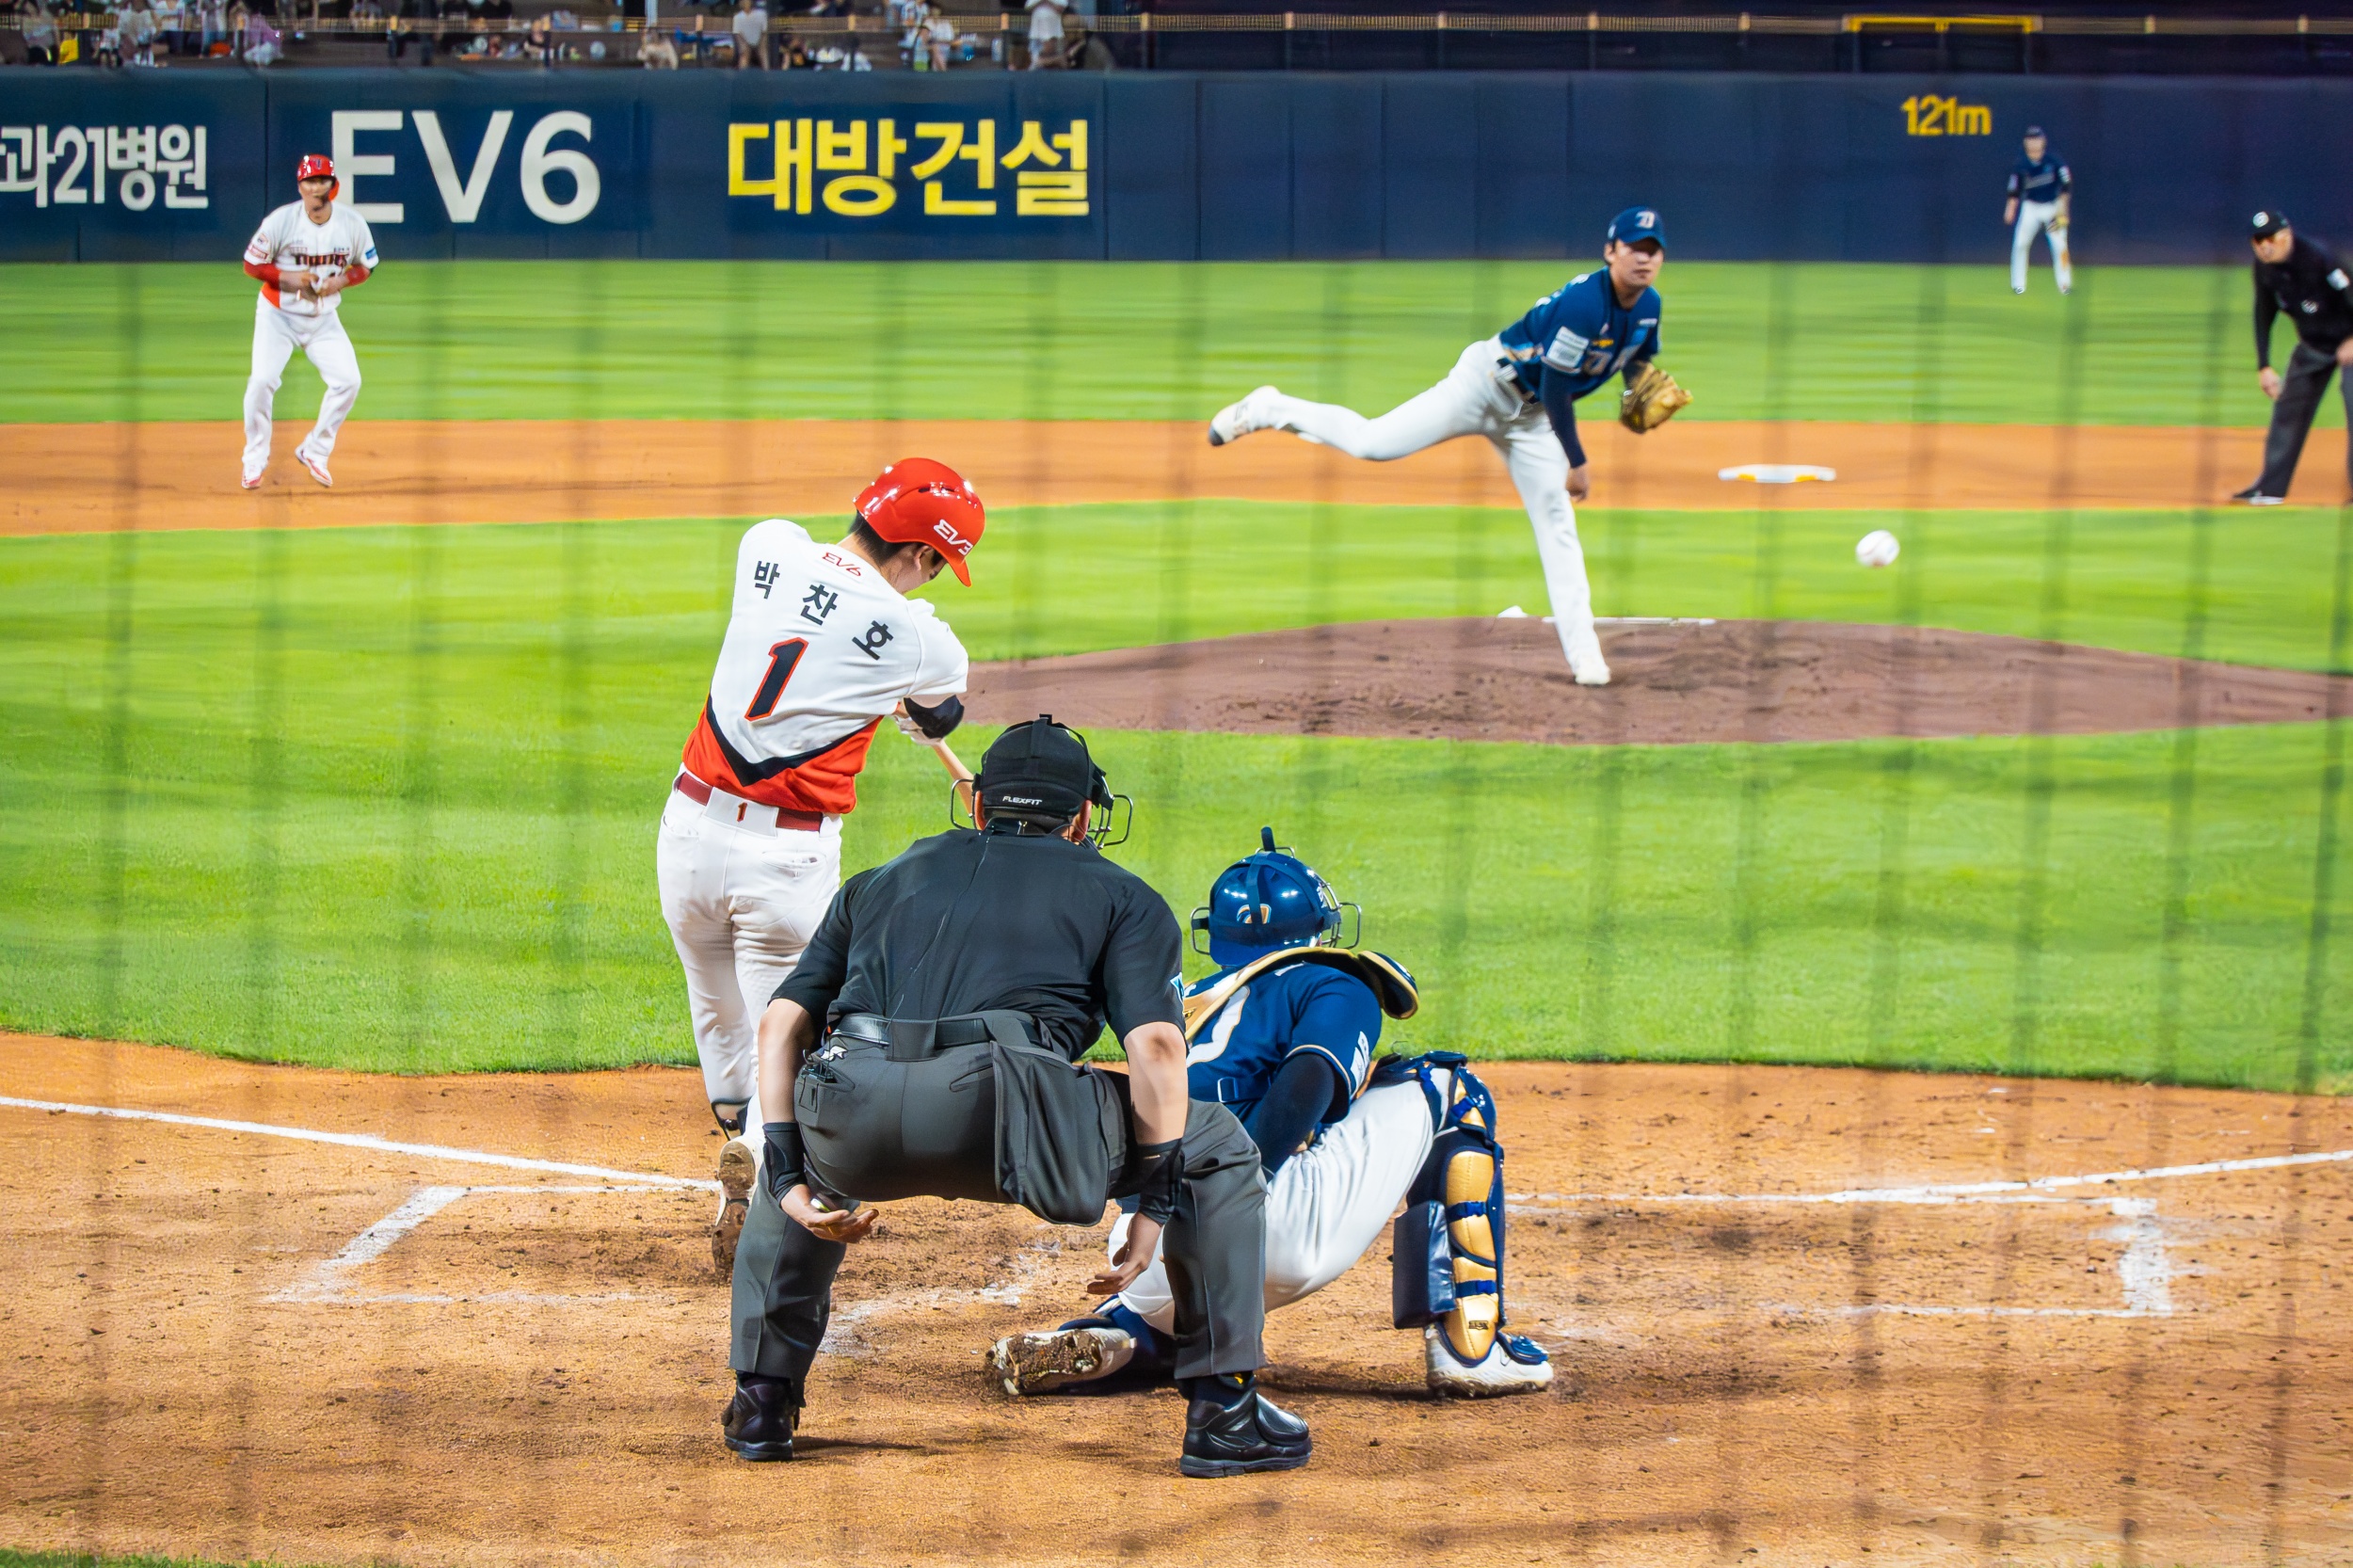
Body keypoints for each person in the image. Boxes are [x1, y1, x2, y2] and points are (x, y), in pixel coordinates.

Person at [719, 719, 1312, 1479]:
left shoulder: (877, 880)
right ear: (1082, 818)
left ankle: (762, 1401)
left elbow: (780, 1027)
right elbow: (1159, 1052)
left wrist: (783, 1171)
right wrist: (1155, 1205)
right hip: (1006, 1120)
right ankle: (1224, 1412)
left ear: (977, 805)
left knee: (804, 1139)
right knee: (1216, 1142)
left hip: (854, 1112)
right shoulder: (1122, 896)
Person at [987, 828, 1554, 1400]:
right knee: (1450, 1087)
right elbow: (1309, 1078)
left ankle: (1123, 1334)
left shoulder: (1187, 1003)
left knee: (1173, 1290)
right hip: (1264, 1233)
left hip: (1144, 1247)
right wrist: (1241, 1193)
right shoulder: (1331, 981)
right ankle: (1471, 1346)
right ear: (1317, 926)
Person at [660, 459, 982, 1278]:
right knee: (791, 1026)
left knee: (719, 1011)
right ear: (921, 553)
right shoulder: (920, 637)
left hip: (687, 835)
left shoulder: (764, 545)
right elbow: (940, 711)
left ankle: (738, 1141)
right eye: (938, 563)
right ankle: (767, 1182)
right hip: (785, 859)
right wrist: (902, 690)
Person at [1206, 207, 1680, 688]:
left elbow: (1636, 357)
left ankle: (1585, 658)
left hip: (1533, 421)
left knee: (1558, 524)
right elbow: (1557, 388)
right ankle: (1269, 407)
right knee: (1374, 443)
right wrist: (1576, 461)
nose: (1644, 259)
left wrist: (1638, 384)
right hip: (1483, 386)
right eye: (1634, 248)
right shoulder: (1584, 304)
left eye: (1652, 250)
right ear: (1610, 251)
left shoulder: (1650, 306)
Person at [240, 155, 376, 491]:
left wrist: (341, 281)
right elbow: (252, 264)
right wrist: (288, 278)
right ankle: (254, 458)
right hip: (278, 316)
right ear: (300, 187)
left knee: (348, 381)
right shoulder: (281, 221)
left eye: (322, 180)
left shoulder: (352, 223)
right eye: (309, 181)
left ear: (334, 185)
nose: (315, 187)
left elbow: (367, 266)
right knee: (262, 380)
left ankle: (315, 450)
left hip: (323, 318)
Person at [2233, 210, 2353, 506]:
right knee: (2288, 411)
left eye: (2270, 238)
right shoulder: (2265, 269)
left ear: (2286, 236)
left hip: (2349, 342)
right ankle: (2271, 489)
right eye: (2258, 241)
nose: (2264, 246)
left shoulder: (2320, 258)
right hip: (2313, 344)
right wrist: (2264, 365)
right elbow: (2264, 312)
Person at [2003, 124, 2072, 296]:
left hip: (2052, 207)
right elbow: (2014, 191)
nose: (2033, 143)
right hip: (2031, 208)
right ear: (2025, 142)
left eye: (2036, 139)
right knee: (2020, 244)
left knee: (2060, 246)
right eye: (2030, 140)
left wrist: (2063, 210)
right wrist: (2010, 209)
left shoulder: (2054, 161)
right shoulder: (2021, 165)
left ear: (2043, 141)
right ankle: (2018, 285)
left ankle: (2065, 285)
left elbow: (2066, 186)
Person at [1023, 0, 1061, 67]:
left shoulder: (1054, 34)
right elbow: (1028, 8)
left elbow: (1060, 8)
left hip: (1051, 67)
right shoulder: (1035, 37)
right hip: (1036, 68)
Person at [729, 0, 765, 66]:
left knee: (763, 51)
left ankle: (767, 71)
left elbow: (764, 31)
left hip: (759, 39)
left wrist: (761, 42)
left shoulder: (761, 14)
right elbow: (737, 33)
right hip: (744, 40)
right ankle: (742, 71)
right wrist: (744, 44)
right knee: (744, 52)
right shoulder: (737, 17)